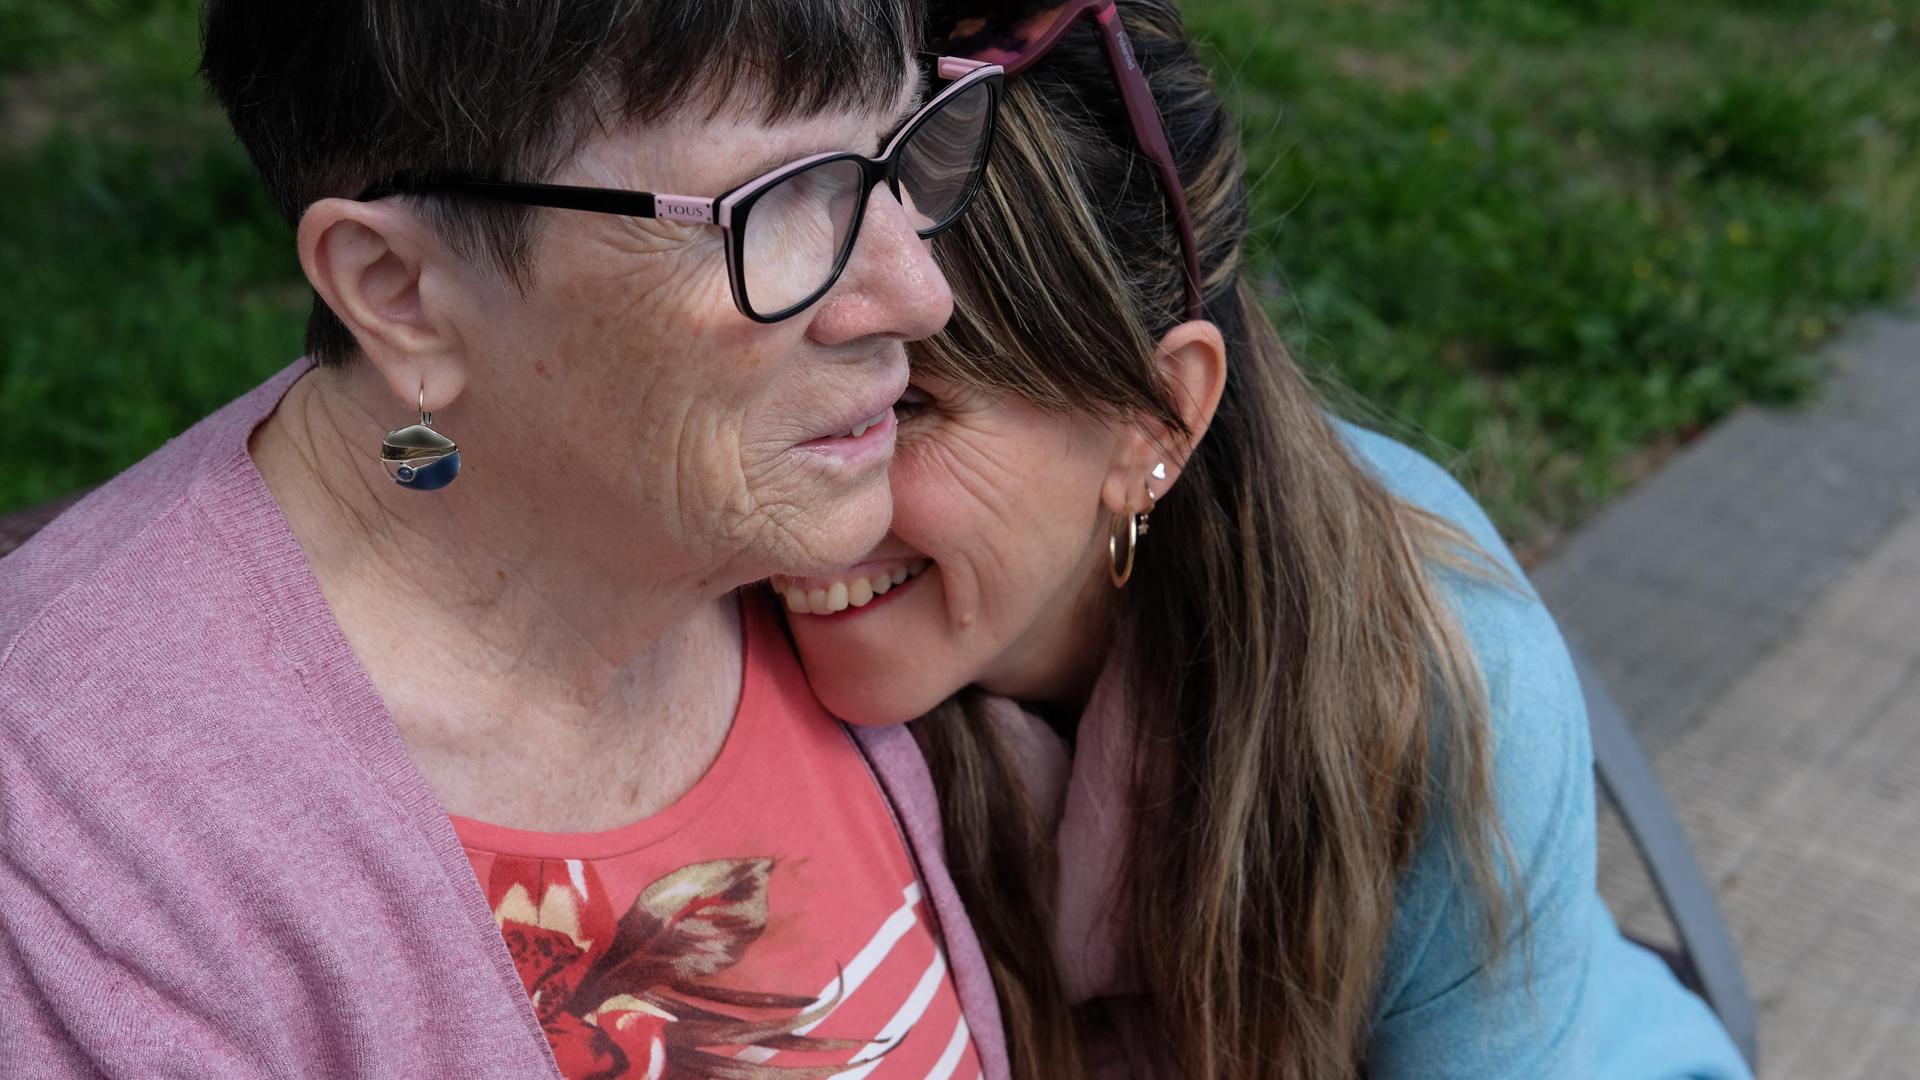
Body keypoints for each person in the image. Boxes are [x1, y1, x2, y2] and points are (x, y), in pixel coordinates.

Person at [0, 2, 1015, 1076]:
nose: (920, 294)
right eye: (777, 203)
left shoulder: (808, 548)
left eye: (901, 147)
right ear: (401, 294)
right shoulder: (80, 877)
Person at [776, 0, 1755, 1076]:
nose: (793, 491)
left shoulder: (1436, 678)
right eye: (776, 390)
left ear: (1154, 418)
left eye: (909, 408)